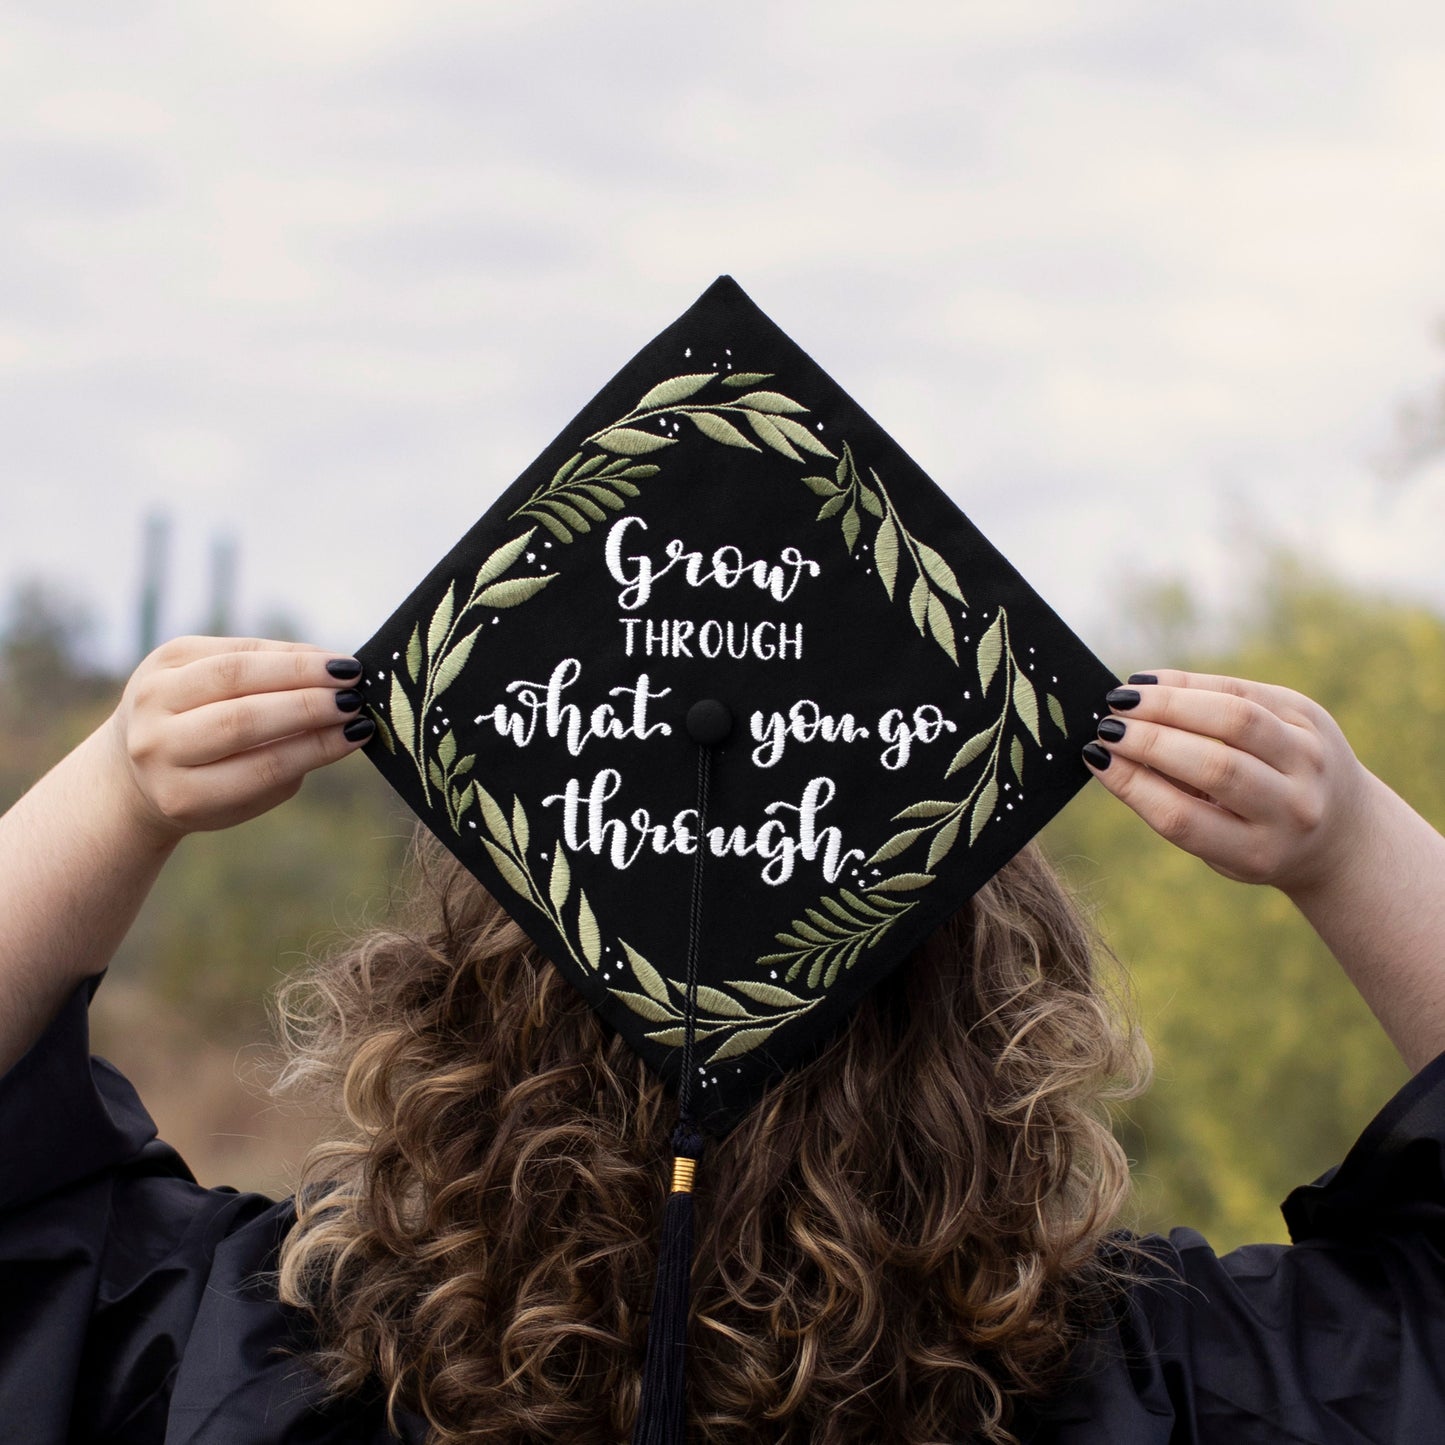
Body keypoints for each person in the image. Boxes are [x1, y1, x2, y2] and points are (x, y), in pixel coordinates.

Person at [2, 635, 1444, 1444]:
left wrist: (121, 790)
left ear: (460, 1011)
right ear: (992, 1032)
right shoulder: (1163, 1395)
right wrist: (1346, 840)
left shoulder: (259, 1370)